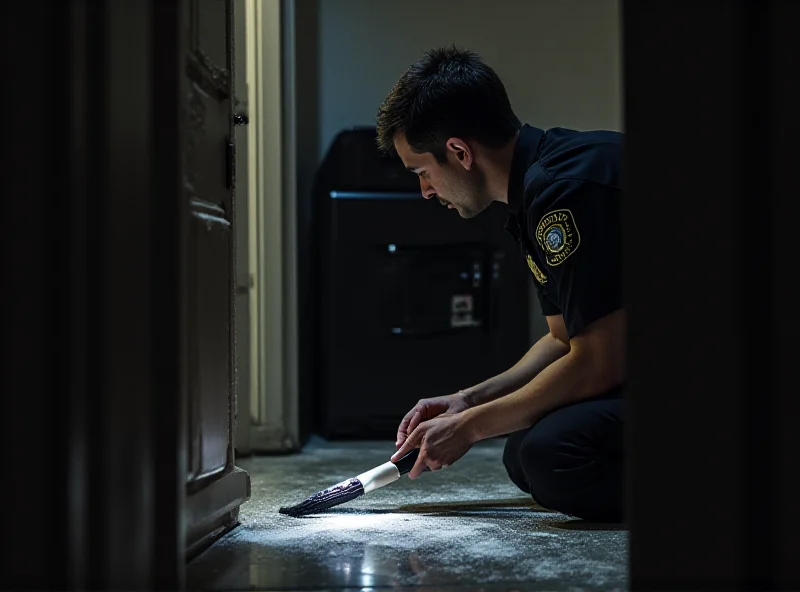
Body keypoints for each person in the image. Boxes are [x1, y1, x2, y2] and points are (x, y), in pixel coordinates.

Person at [378, 46, 625, 523]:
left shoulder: (564, 192)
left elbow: (600, 360)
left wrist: (469, 427)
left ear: (459, 152)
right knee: (525, 453)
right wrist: (469, 401)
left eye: (423, 173)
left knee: (553, 456)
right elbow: (562, 339)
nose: (426, 191)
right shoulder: (535, 191)